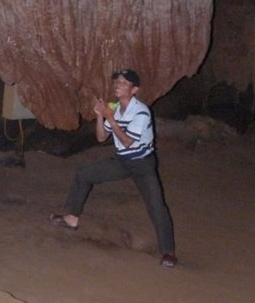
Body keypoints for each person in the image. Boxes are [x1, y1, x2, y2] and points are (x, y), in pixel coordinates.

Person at [49, 69, 177, 267]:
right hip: (122, 160)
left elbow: (126, 141)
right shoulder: (115, 109)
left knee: (156, 205)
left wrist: (110, 117)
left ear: (134, 90)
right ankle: (72, 218)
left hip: (142, 163)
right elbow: (101, 138)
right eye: (117, 82)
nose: (118, 85)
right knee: (84, 174)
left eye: (124, 83)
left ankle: (168, 251)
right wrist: (100, 116)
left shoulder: (141, 112)